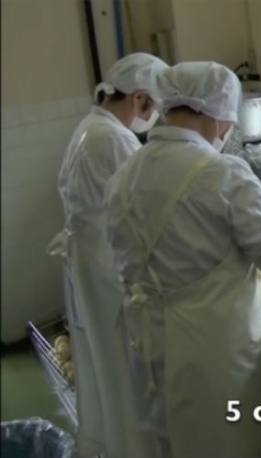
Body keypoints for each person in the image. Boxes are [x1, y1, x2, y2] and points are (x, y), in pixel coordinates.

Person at [103, 61, 261, 458]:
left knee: (166, 441)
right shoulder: (223, 173)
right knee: (224, 444)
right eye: (227, 121)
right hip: (211, 350)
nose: (226, 130)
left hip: (148, 339)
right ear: (215, 114)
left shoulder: (124, 174)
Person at [48, 52, 169, 458]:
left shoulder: (91, 127)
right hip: (107, 271)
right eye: (154, 107)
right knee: (122, 370)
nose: (154, 118)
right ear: (138, 99)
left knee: (106, 367)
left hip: (90, 263)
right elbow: (145, 209)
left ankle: (117, 446)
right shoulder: (112, 140)